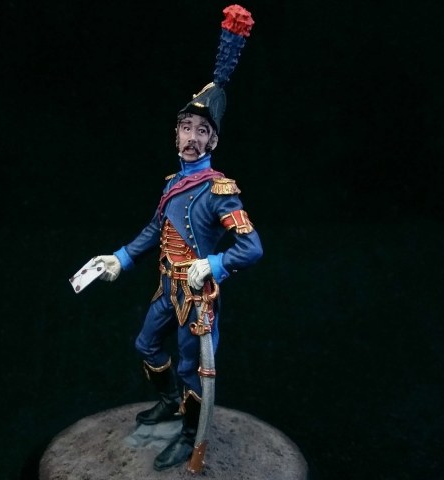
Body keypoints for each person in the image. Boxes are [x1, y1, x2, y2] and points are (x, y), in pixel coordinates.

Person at [92, 5, 261, 471]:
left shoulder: (219, 190)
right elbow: (155, 229)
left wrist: (216, 264)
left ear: (213, 142)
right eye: (186, 128)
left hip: (195, 296)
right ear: (176, 134)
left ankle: (189, 434)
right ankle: (169, 403)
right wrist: (120, 258)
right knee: (146, 345)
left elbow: (252, 247)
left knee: (190, 368)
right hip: (167, 286)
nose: (192, 137)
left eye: (202, 131)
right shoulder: (173, 184)